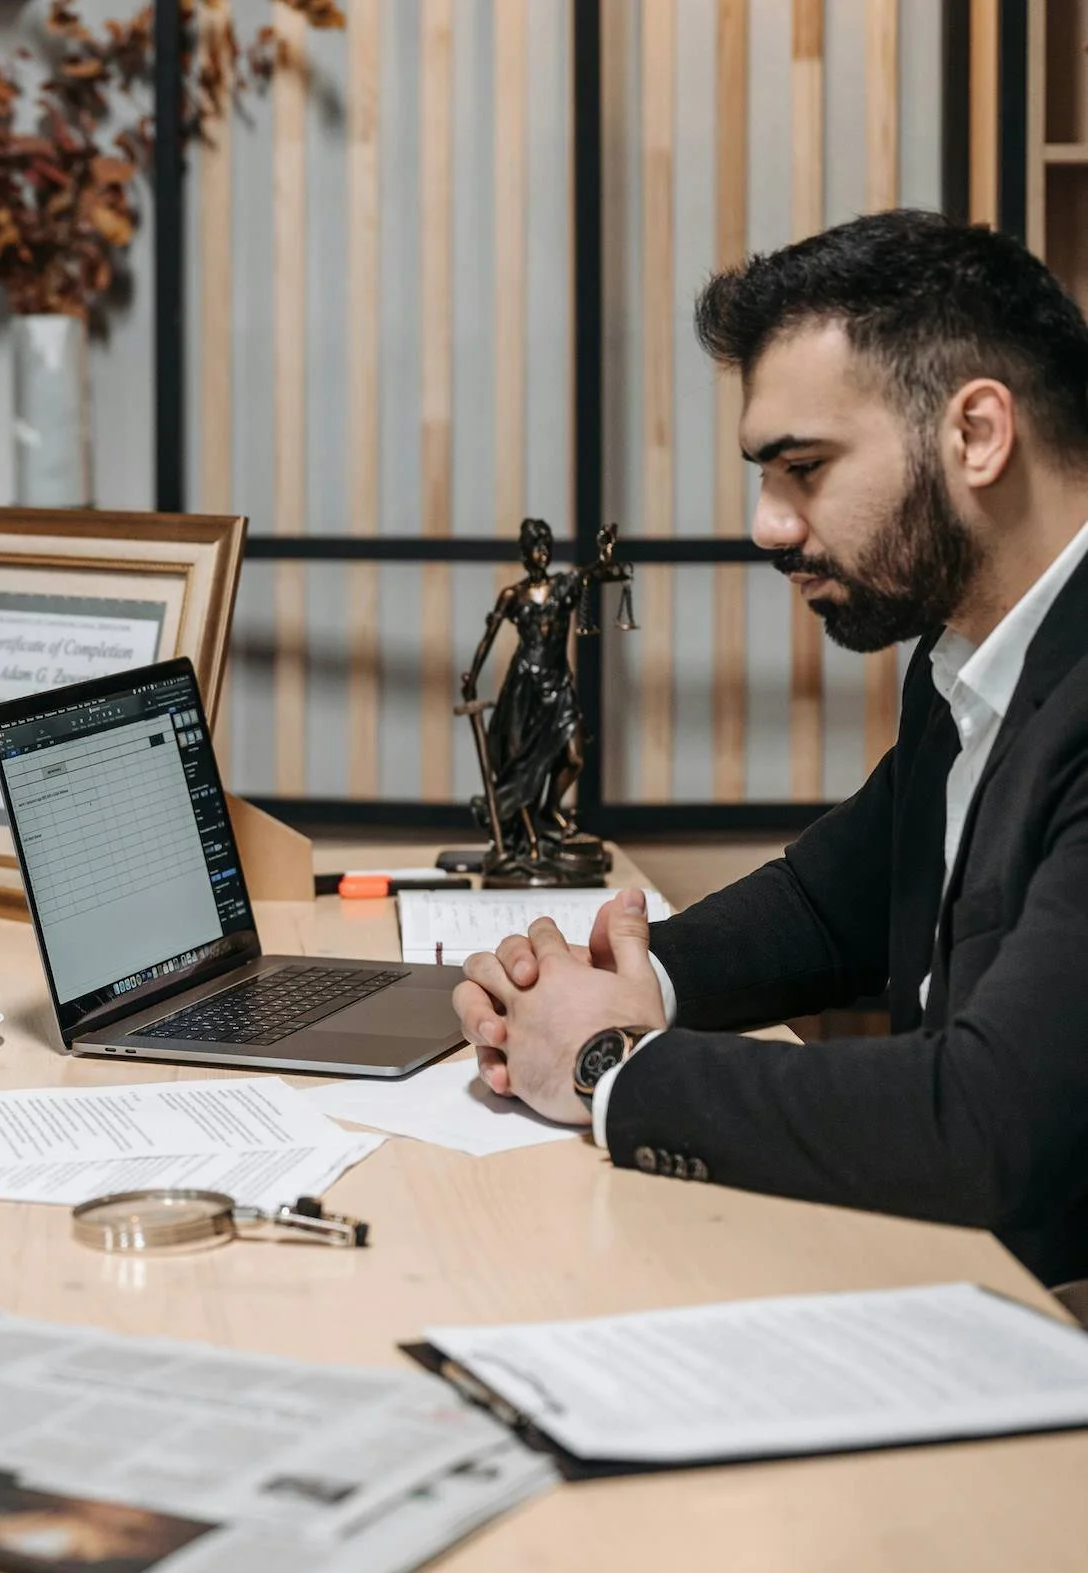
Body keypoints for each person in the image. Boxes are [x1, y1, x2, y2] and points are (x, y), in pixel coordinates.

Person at [452, 209, 1088, 1287]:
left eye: (802, 467)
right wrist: (614, 979)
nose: (767, 525)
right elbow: (825, 904)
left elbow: (989, 1126)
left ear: (976, 433)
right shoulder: (968, 655)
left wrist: (610, 1065)